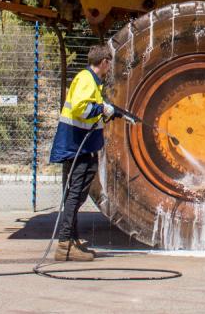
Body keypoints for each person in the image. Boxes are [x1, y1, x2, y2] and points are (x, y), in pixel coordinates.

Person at [48, 44, 118, 262]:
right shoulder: (86, 79)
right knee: (75, 194)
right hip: (76, 146)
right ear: (105, 61)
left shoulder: (91, 81)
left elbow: (87, 111)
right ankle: (64, 245)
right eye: (110, 63)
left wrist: (106, 112)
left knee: (75, 194)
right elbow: (81, 108)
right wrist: (101, 109)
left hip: (80, 145)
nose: (110, 67)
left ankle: (71, 242)